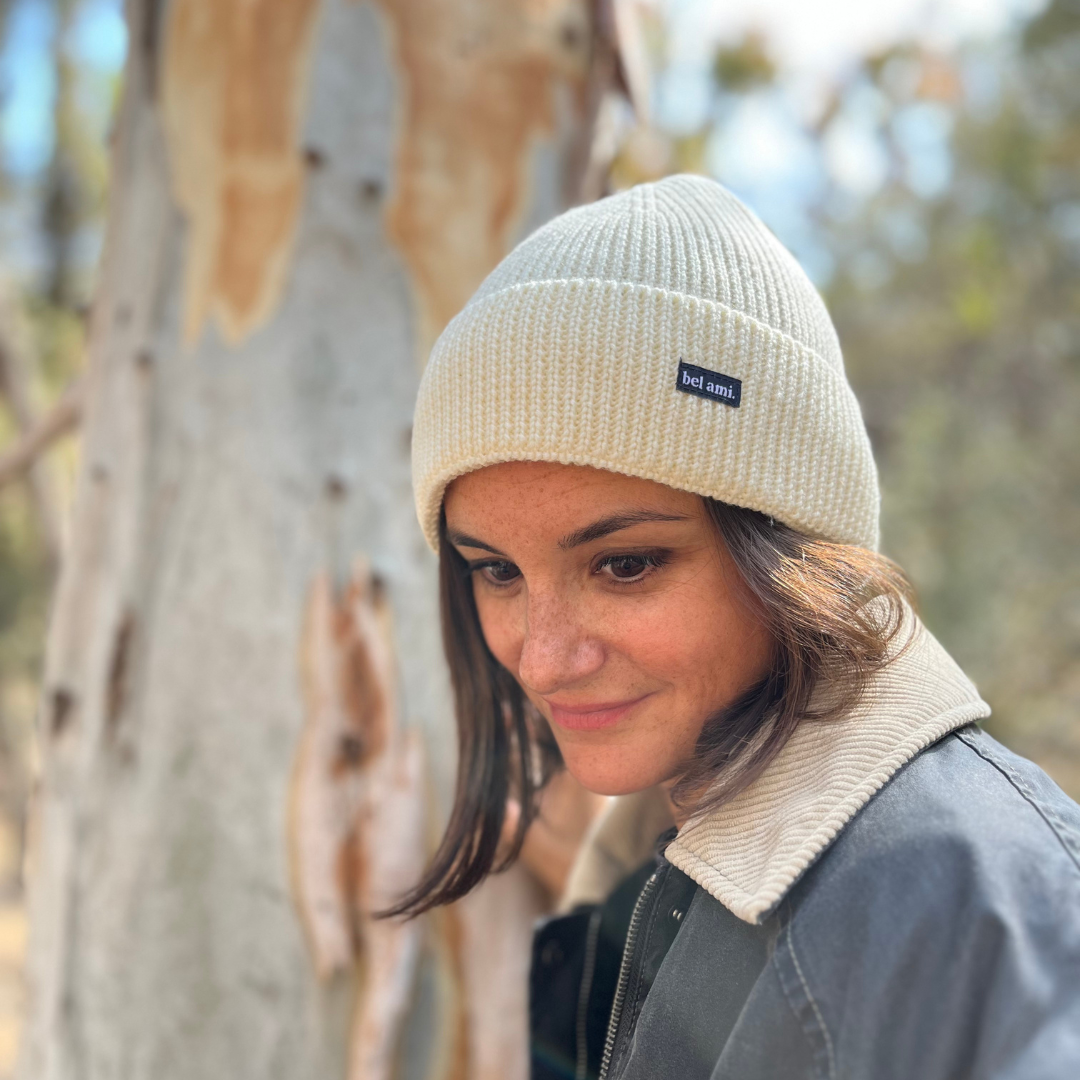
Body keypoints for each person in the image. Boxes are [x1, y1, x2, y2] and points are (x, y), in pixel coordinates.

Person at [396, 175, 1080, 1079]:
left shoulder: (974, 910)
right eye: (497, 572)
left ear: (791, 548)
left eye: (625, 565)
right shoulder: (652, 863)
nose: (547, 658)